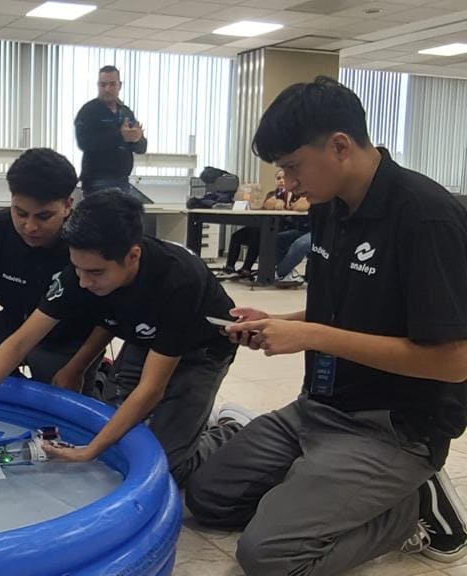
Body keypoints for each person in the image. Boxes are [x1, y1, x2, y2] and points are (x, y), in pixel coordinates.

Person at [185, 76, 467, 575]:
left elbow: (452, 362)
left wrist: (310, 336)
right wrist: (280, 323)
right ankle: (323, 489)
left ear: (339, 146)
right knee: (207, 496)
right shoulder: (330, 208)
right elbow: (344, 316)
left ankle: (407, 509)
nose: (286, 184)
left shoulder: (426, 218)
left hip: (393, 429)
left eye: (293, 167)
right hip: (318, 407)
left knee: (268, 557)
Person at [0, 189, 240, 487]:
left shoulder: (178, 280)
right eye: (78, 269)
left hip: (201, 350)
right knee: (112, 429)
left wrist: (90, 451)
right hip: (143, 337)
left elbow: (151, 389)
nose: (83, 282)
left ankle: (231, 430)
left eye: (95, 272)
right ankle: (186, 418)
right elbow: (19, 342)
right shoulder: (80, 275)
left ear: (133, 256)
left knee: (169, 468)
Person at [0, 148, 99, 391]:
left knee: (50, 371)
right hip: (15, 321)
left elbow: (109, 320)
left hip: (69, 336)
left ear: (68, 205)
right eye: (21, 213)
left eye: (43, 216)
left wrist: (78, 367)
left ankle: (95, 379)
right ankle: (13, 395)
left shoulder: (86, 242)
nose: (30, 227)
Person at [74, 65, 147, 197]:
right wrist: (120, 136)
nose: (107, 89)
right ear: (98, 85)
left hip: (123, 181)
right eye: (103, 85)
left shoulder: (125, 111)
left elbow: (141, 148)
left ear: (120, 85)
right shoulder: (88, 111)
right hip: (97, 182)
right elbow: (84, 143)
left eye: (112, 84)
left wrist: (137, 139)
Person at [263, 168, 312, 287]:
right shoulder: (282, 192)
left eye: (284, 178)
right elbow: (268, 205)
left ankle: (280, 273)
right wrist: (278, 201)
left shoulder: (308, 189)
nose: (282, 181)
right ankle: (283, 273)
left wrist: (289, 205)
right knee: (278, 239)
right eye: (279, 178)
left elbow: (302, 205)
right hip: (301, 229)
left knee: (300, 245)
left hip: (318, 230)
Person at [222, 184, 266, 278]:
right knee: (236, 236)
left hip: (265, 229)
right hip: (253, 227)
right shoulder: (270, 194)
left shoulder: (268, 196)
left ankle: (246, 267)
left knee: (255, 237)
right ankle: (230, 266)